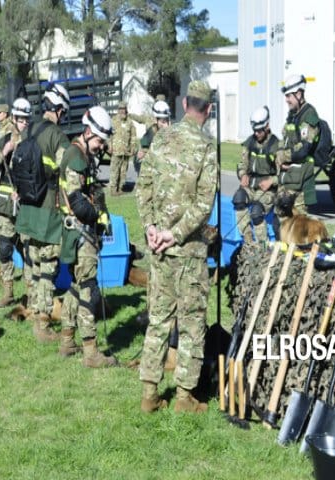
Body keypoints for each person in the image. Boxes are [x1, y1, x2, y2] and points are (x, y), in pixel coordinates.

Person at [136, 80, 218, 414]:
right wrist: (176, 234)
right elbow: (204, 203)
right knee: (191, 322)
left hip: (160, 250)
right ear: (208, 109)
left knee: (158, 319)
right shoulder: (206, 146)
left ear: (185, 104)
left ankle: (149, 393)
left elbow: (143, 187)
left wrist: (152, 229)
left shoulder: (161, 138)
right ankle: (184, 397)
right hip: (188, 251)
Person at [58, 105, 118, 367]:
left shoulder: (83, 154)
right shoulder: (75, 157)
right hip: (79, 232)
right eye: (99, 141)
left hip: (78, 230)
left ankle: (67, 340)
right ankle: (91, 352)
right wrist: (98, 217)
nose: (101, 147)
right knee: (88, 289)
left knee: (73, 285)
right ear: (88, 131)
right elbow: (78, 203)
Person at [14, 83, 72, 342]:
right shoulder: (57, 136)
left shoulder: (27, 132)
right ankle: (43, 324)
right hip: (48, 211)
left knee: (35, 266)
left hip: (27, 210)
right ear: (58, 109)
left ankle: (36, 313)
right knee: (48, 269)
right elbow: (68, 174)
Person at [0, 98, 32, 307]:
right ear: (13, 118)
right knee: (4, 248)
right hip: (6, 205)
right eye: (20, 119)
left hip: (27, 204)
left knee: (28, 249)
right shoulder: (4, 140)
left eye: (26, 120)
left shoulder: (33, 141)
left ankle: (31, 292)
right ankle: (8, 291)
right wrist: (5, 151)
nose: (23, 123)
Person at [276, 74, 321, 215]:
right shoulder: (292, 115)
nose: (286, 100)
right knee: (282, 222)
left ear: (299, 94)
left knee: (298, 227)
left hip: (300, 181)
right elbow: (283, 140)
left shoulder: (309, 115)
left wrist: (284, 157)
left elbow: (303, 149)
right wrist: (279, 155)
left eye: (289, 96)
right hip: (287, 179)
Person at [233, 105, 279, 243]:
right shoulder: (250, 142)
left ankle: (262, 247)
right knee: (239, 198)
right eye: (254, 130)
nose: (257, 134)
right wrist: (243, 175)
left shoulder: (276, 145)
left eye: (259, 130)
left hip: (268, 189)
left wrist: (272, 181)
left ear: (267, 126)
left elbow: (284, 174)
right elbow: (242, 164)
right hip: (251, 186)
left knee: (256, 212)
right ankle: (248, 241)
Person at [108, 101, 137, 196]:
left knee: (123, 171)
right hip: (116, 150)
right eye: (120, 109)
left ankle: (120, 188)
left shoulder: (129, 122)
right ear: (118, 110)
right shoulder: (114, 121)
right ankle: (113, 189)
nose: (122, 111)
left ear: (126, 109)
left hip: (126, 151)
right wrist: (110, 146)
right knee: (114, 171)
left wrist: (133, 147)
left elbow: (133, 136)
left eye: (123, 109)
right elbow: (109, 135)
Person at [135, 100, 171, 174]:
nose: (166, 125)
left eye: (167, 121)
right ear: (155, 120)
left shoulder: (172, 132)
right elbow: (140, 157)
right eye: (163, 122)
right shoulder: (150, 134)